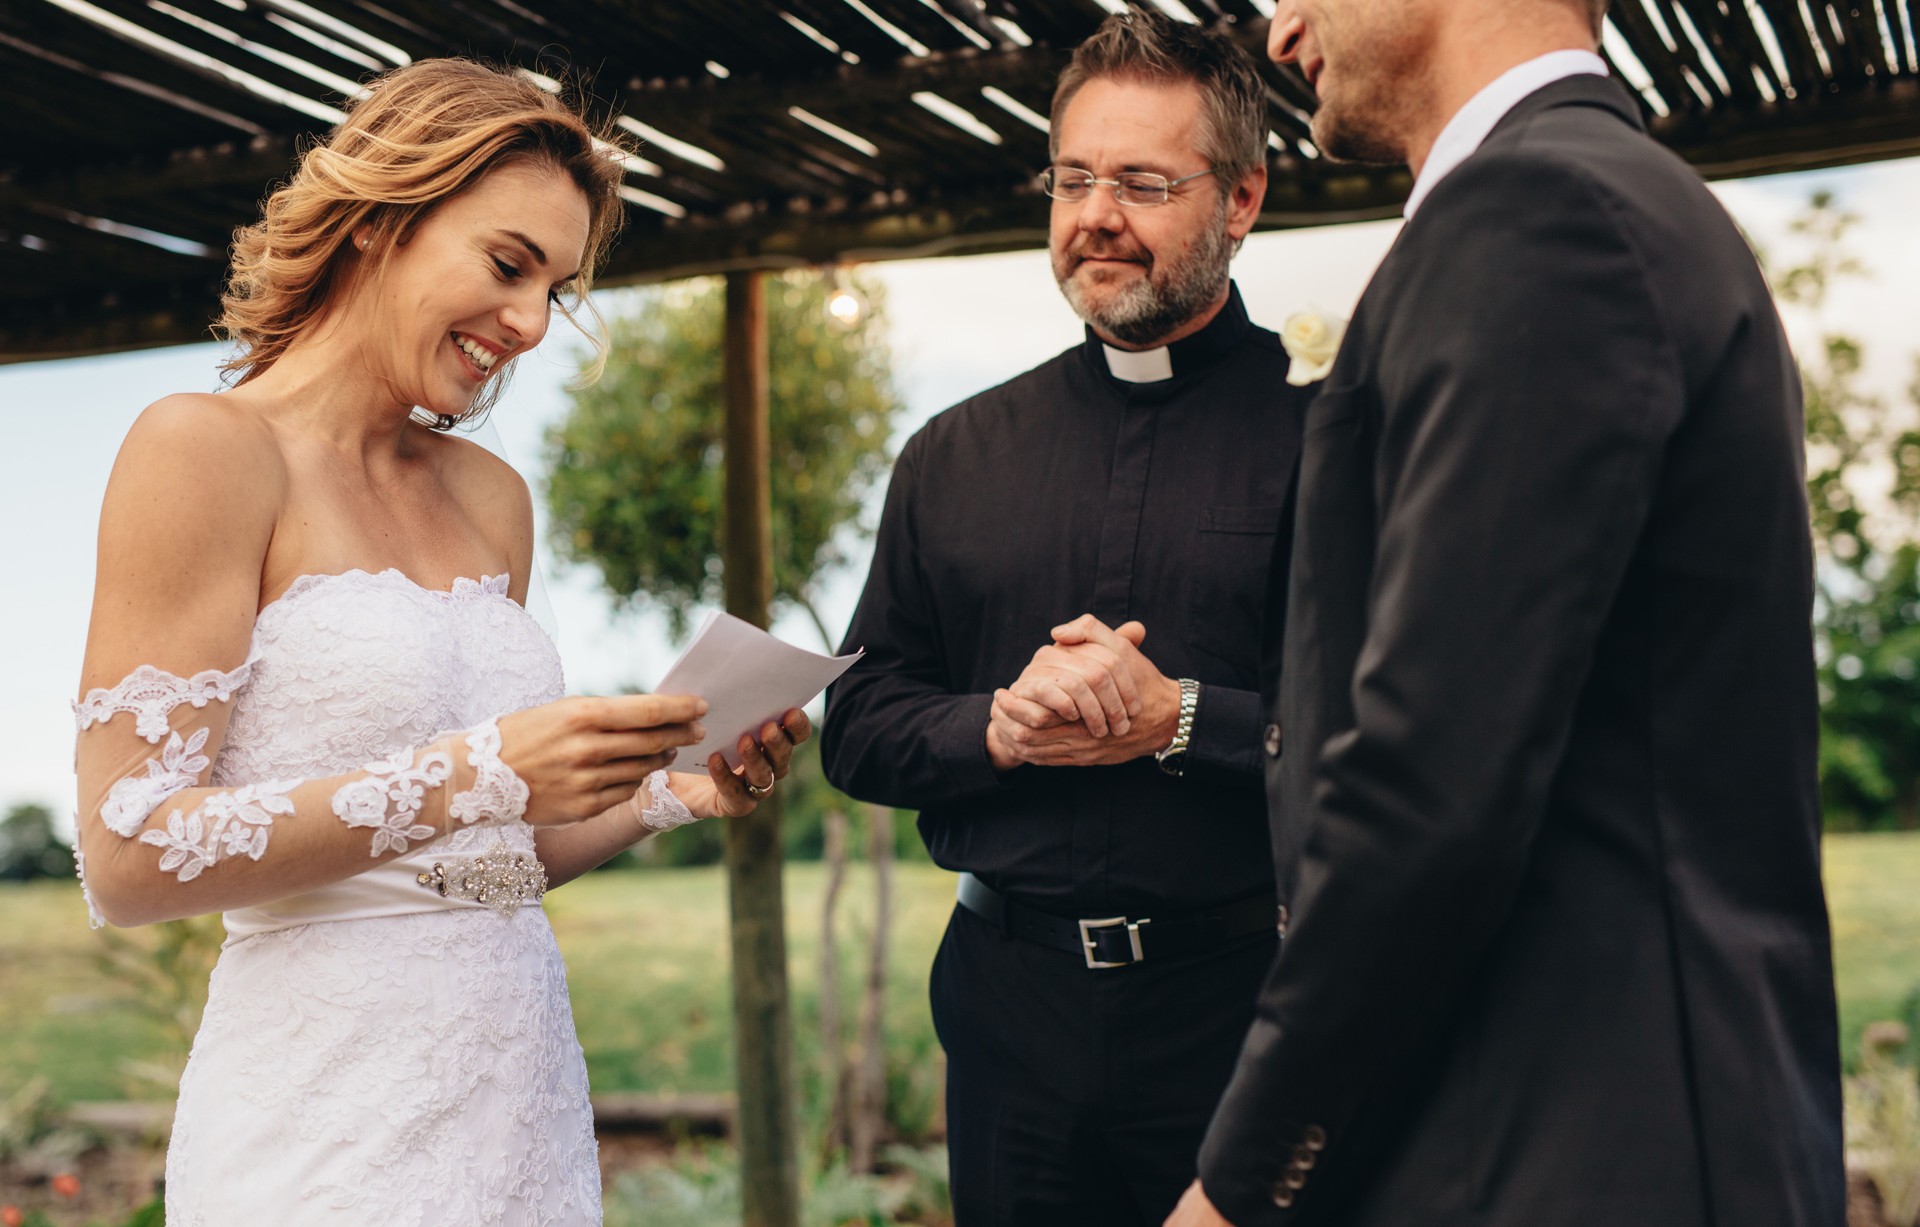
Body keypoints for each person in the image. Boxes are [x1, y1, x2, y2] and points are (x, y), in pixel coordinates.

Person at [70, 59, 808, 1224]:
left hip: (517, 1101)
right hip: (321, 1115)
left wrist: (671, 791)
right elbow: (126, 857)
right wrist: (486, 766)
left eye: (555, 291)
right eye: (508, 265)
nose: (527, 324)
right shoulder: (204, 451)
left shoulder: (492, 500)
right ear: (379, 223)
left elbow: (486, 858)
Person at [1166, 2, 1846, 1225]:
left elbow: (1431, 781)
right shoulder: (1616, 200)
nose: (1282, 31)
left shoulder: (1544, 217)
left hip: (1569, 1154)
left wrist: (1237, 1186)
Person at [821, 11, 1314, 1224]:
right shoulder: (952, 454)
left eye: (1143, 183)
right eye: (1076, 178)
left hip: (1243, 1017)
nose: (1097, 214)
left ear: (1241, 198)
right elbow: (860, 725)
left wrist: (1179, 719)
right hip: (1008, 1023)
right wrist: (997, 727)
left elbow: (1391, 743)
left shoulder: (1332, 446)